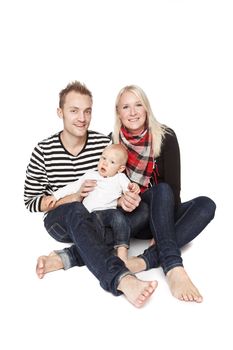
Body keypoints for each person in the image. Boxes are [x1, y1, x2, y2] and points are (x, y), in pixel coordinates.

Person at [41, 84, 216, 303]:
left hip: (162, 210)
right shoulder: (111, 142)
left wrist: (163, 231)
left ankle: (142, 262)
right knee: (134, 206)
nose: (132, 112)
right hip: (134, 215)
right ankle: (173, 266)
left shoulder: (166, 136)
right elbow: (106, 190)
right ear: (118, 113)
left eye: (138, 105)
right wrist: (121, 201)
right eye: (125, 107)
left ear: (146, 108)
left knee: (204, 204)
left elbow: (174, 190)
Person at [24, 81, 157, 308]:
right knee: (77, 209)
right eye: (74, 110)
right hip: (62, 219)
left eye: (87, 111)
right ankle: (121, 278)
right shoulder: (43, 150)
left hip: (97, 219)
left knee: (142, 209)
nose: (82, 118)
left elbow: (114, 182)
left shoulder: (102, 143)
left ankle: (65, 258)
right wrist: (70, 198)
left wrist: (122, 200)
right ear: (60, 112)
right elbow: (30, 201)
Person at [44, 143, 140, 262]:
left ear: (120, 168)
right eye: (103, 158)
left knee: (120, 218)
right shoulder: (91, 175)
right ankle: (80, 251)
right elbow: (73, 186)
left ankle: (122, 251)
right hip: (89, 215)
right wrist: (55, 195)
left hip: (109, 213)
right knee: (93, 233)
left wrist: (133, 189)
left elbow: (129, 190)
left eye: (112, 162)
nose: (104, 163)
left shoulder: (120, 178)